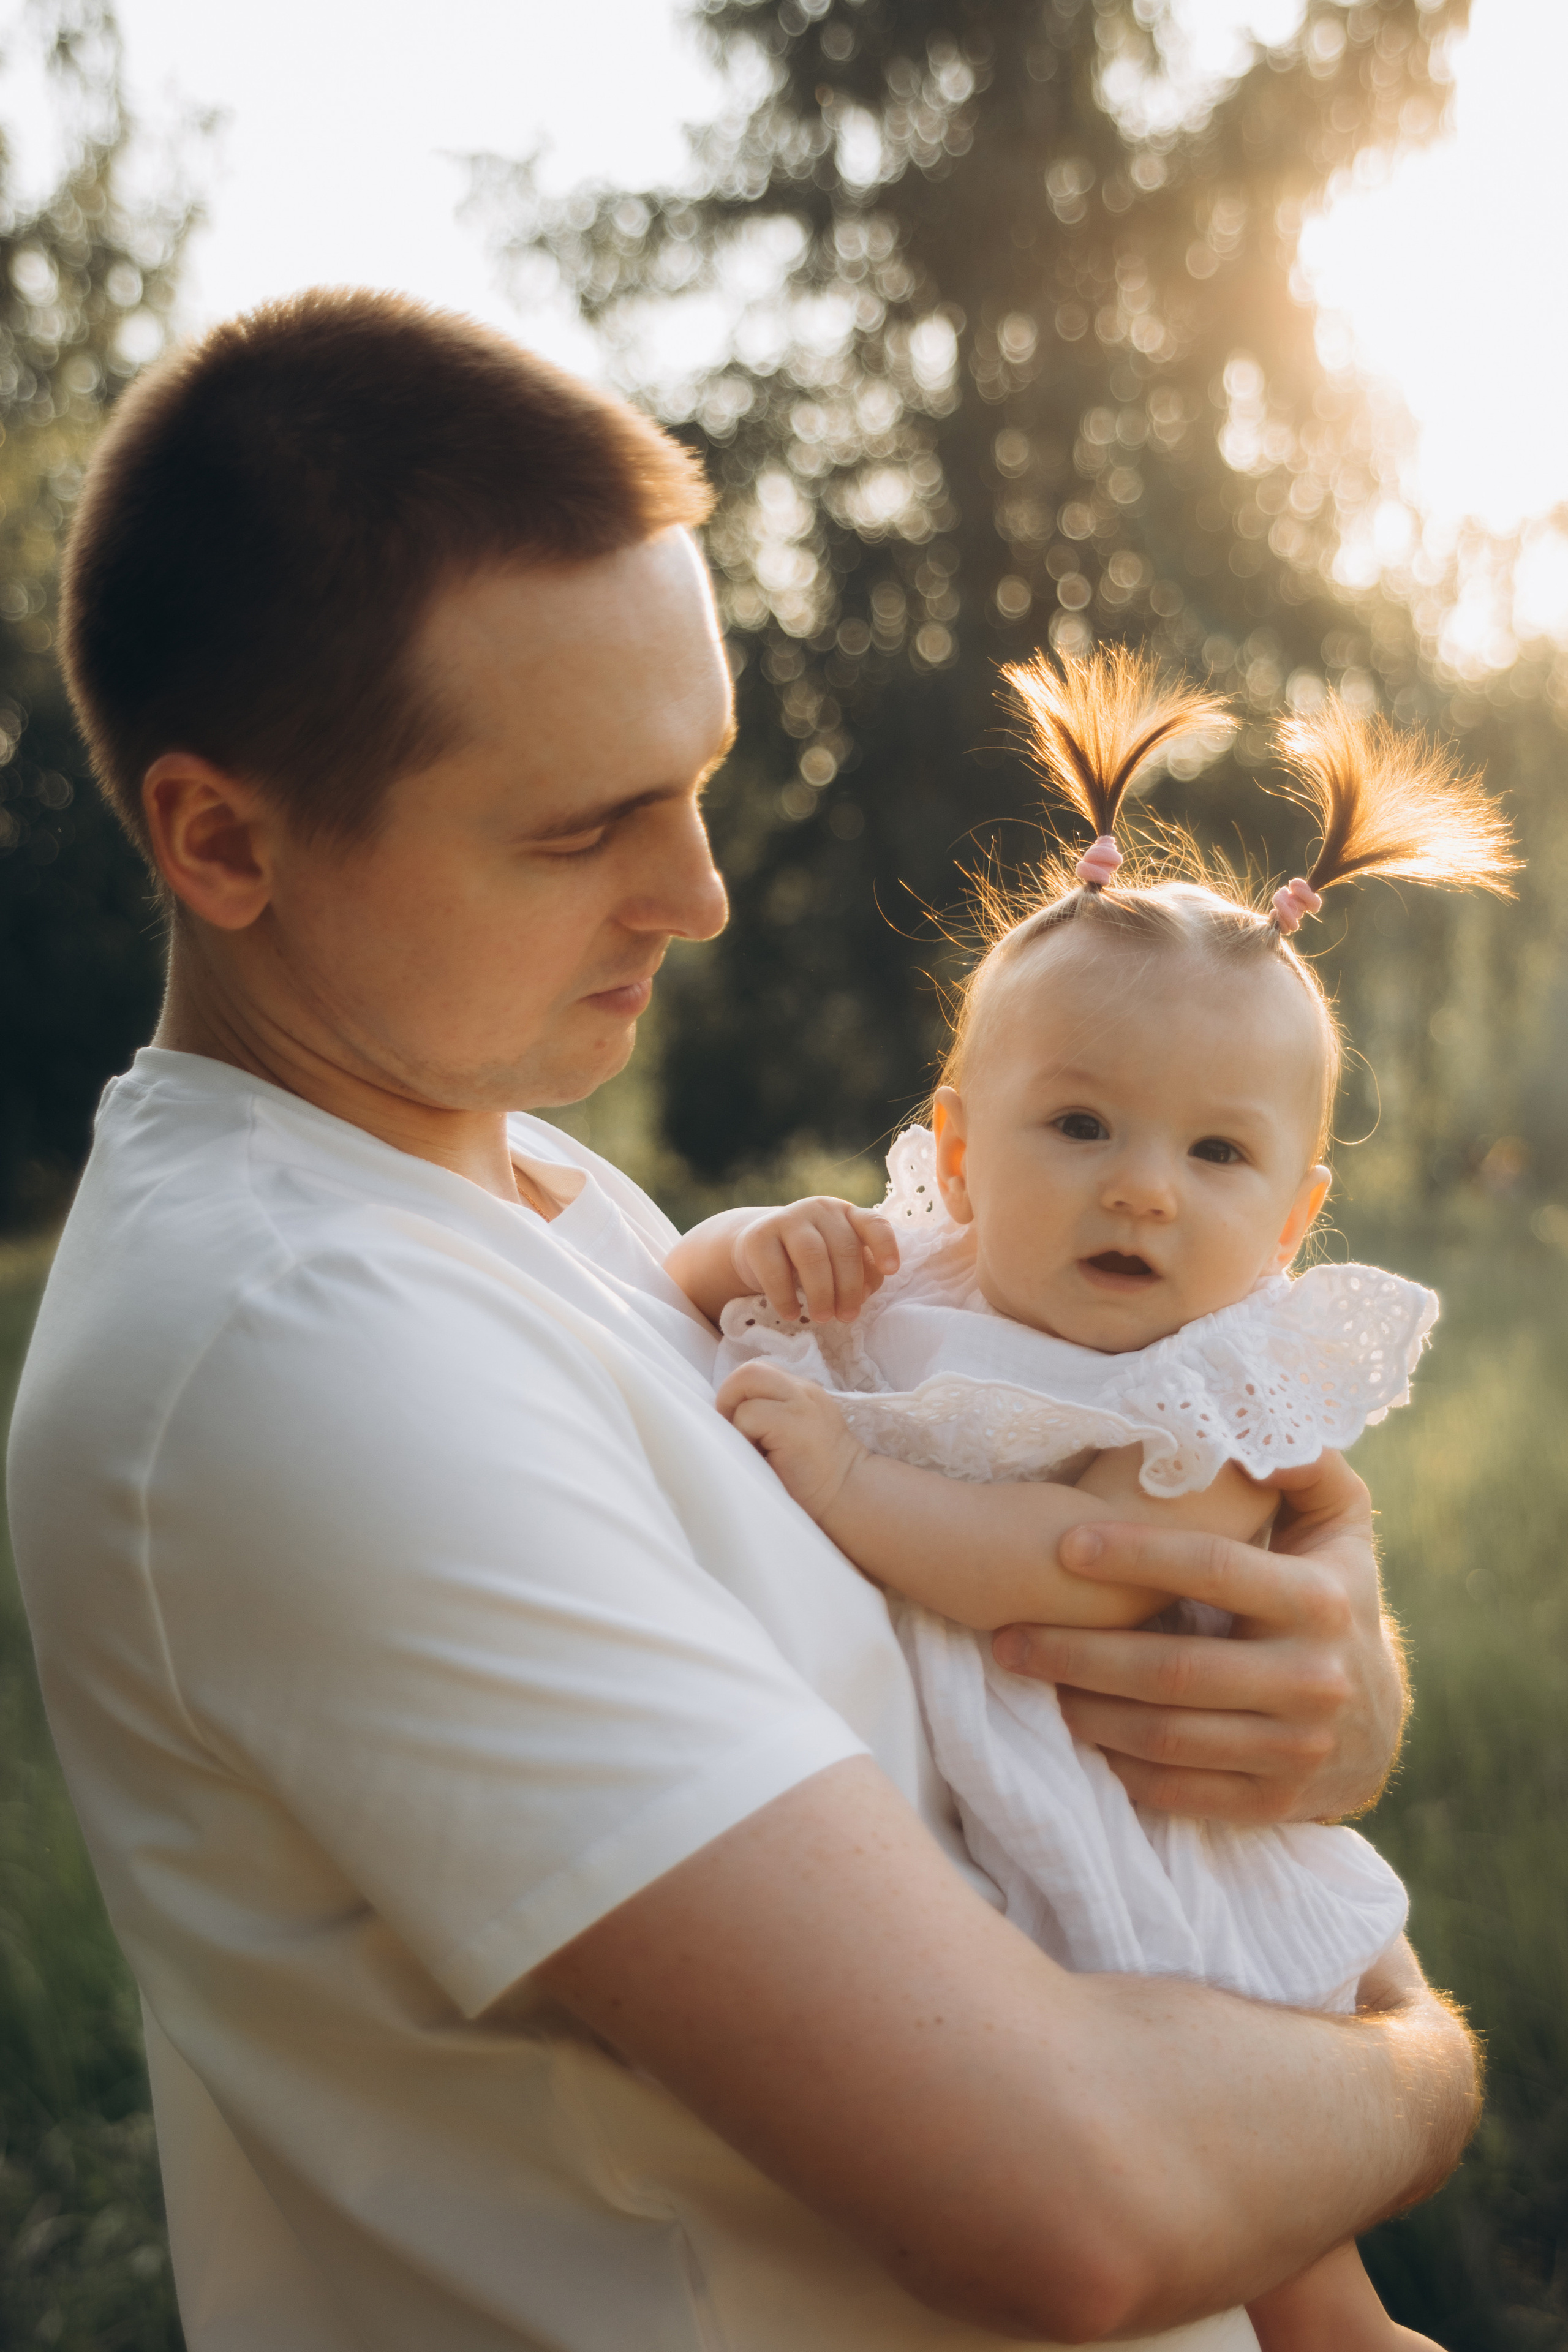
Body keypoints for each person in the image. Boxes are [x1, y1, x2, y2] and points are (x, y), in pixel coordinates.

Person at [6, 290, 1477, 2352]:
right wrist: (1416, 2059)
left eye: (693, 778)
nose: (696, 891)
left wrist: (1320, 1687)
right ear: (223, 840)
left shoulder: (519, 1183)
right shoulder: (298, 1350)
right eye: (578, 822)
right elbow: (1069, 2208)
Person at [673, 654, 1518, 2348]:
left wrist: (842, 1475)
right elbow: (694, 1287)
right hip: (971, 1820)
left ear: (1293, 1218)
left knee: (1290, 2245)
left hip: (1155, 1814)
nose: (1142, 1184)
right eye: (1079, 1123)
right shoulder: (915, 1274)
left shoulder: (1210, 1394)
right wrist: (749, 1245)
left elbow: (1096, 1571)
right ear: (965, 1146)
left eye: (1217, 1156)